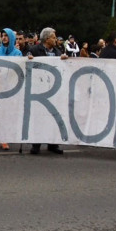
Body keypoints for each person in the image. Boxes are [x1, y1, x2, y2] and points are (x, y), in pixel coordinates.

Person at [26, 27, 67, 155]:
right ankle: (36, 143)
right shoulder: (34, 50)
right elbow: (26, 61)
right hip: (39, 89)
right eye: (54, 37)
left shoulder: (58, 52)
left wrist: (65, 60)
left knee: (54, 116)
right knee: (38, 116)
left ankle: (53, 143)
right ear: (47, 38)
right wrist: (29, 58)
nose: (56, 40)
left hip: (54, 89)